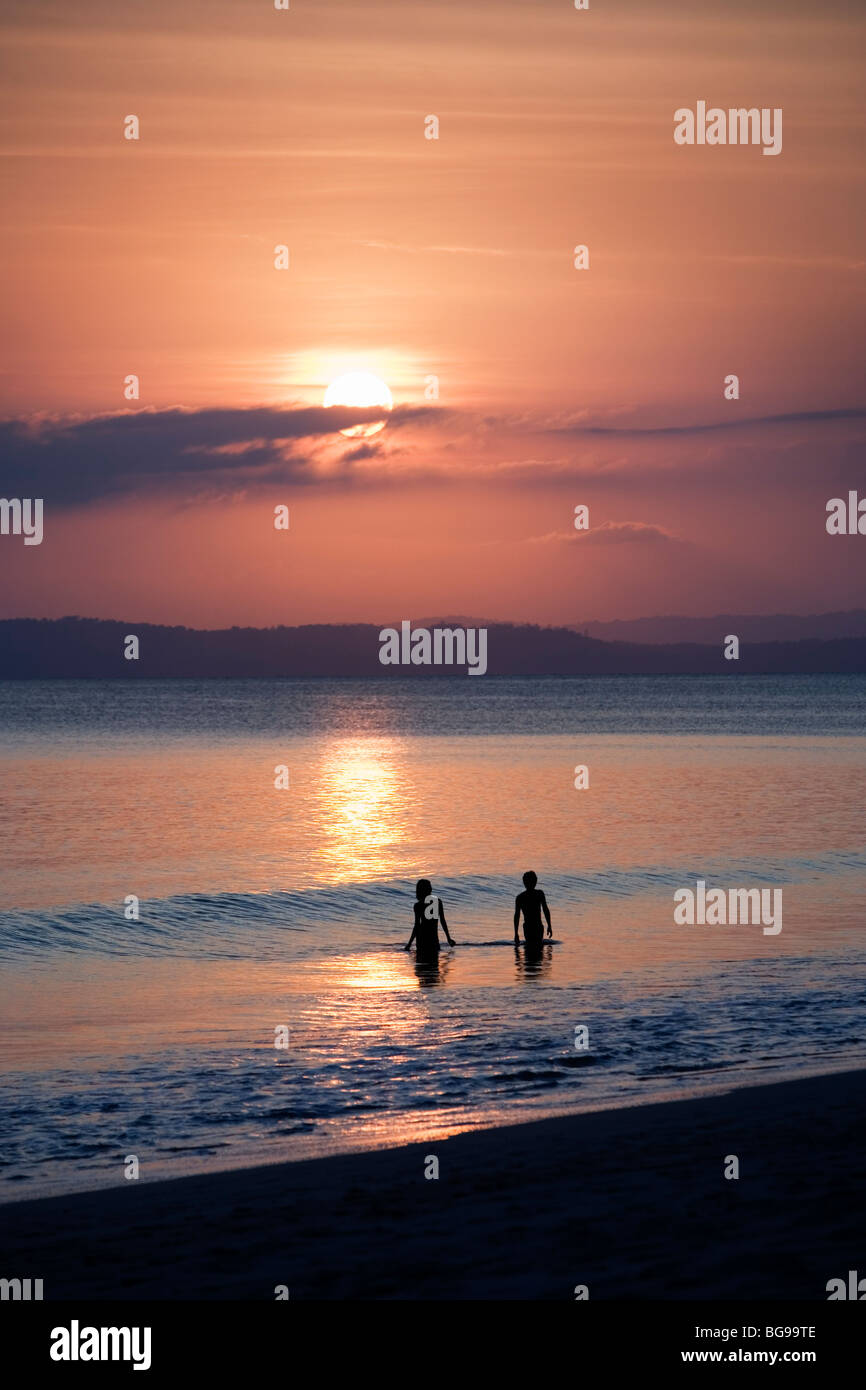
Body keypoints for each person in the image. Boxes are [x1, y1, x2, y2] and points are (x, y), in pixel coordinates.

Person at [405, 879, 455, 956]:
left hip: (421, 940)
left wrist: (409, 944)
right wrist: (448, 938)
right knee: (433, 966)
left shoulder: (418, 905)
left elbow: (417, 926)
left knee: (422, 965)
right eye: (430, 887)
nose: (431, 889)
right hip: (433, 940)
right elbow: (442, 921)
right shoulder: (437, 902)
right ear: (428, 889)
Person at [514, 870, 552, 946]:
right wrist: (549, 925)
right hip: (537, 927)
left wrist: (516, 933)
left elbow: (517, 916)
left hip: (528, 928)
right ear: (535, 882)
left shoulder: (520, 897)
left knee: (529, 951)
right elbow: (545, 910)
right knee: (538, 950)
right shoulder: (539, 894)